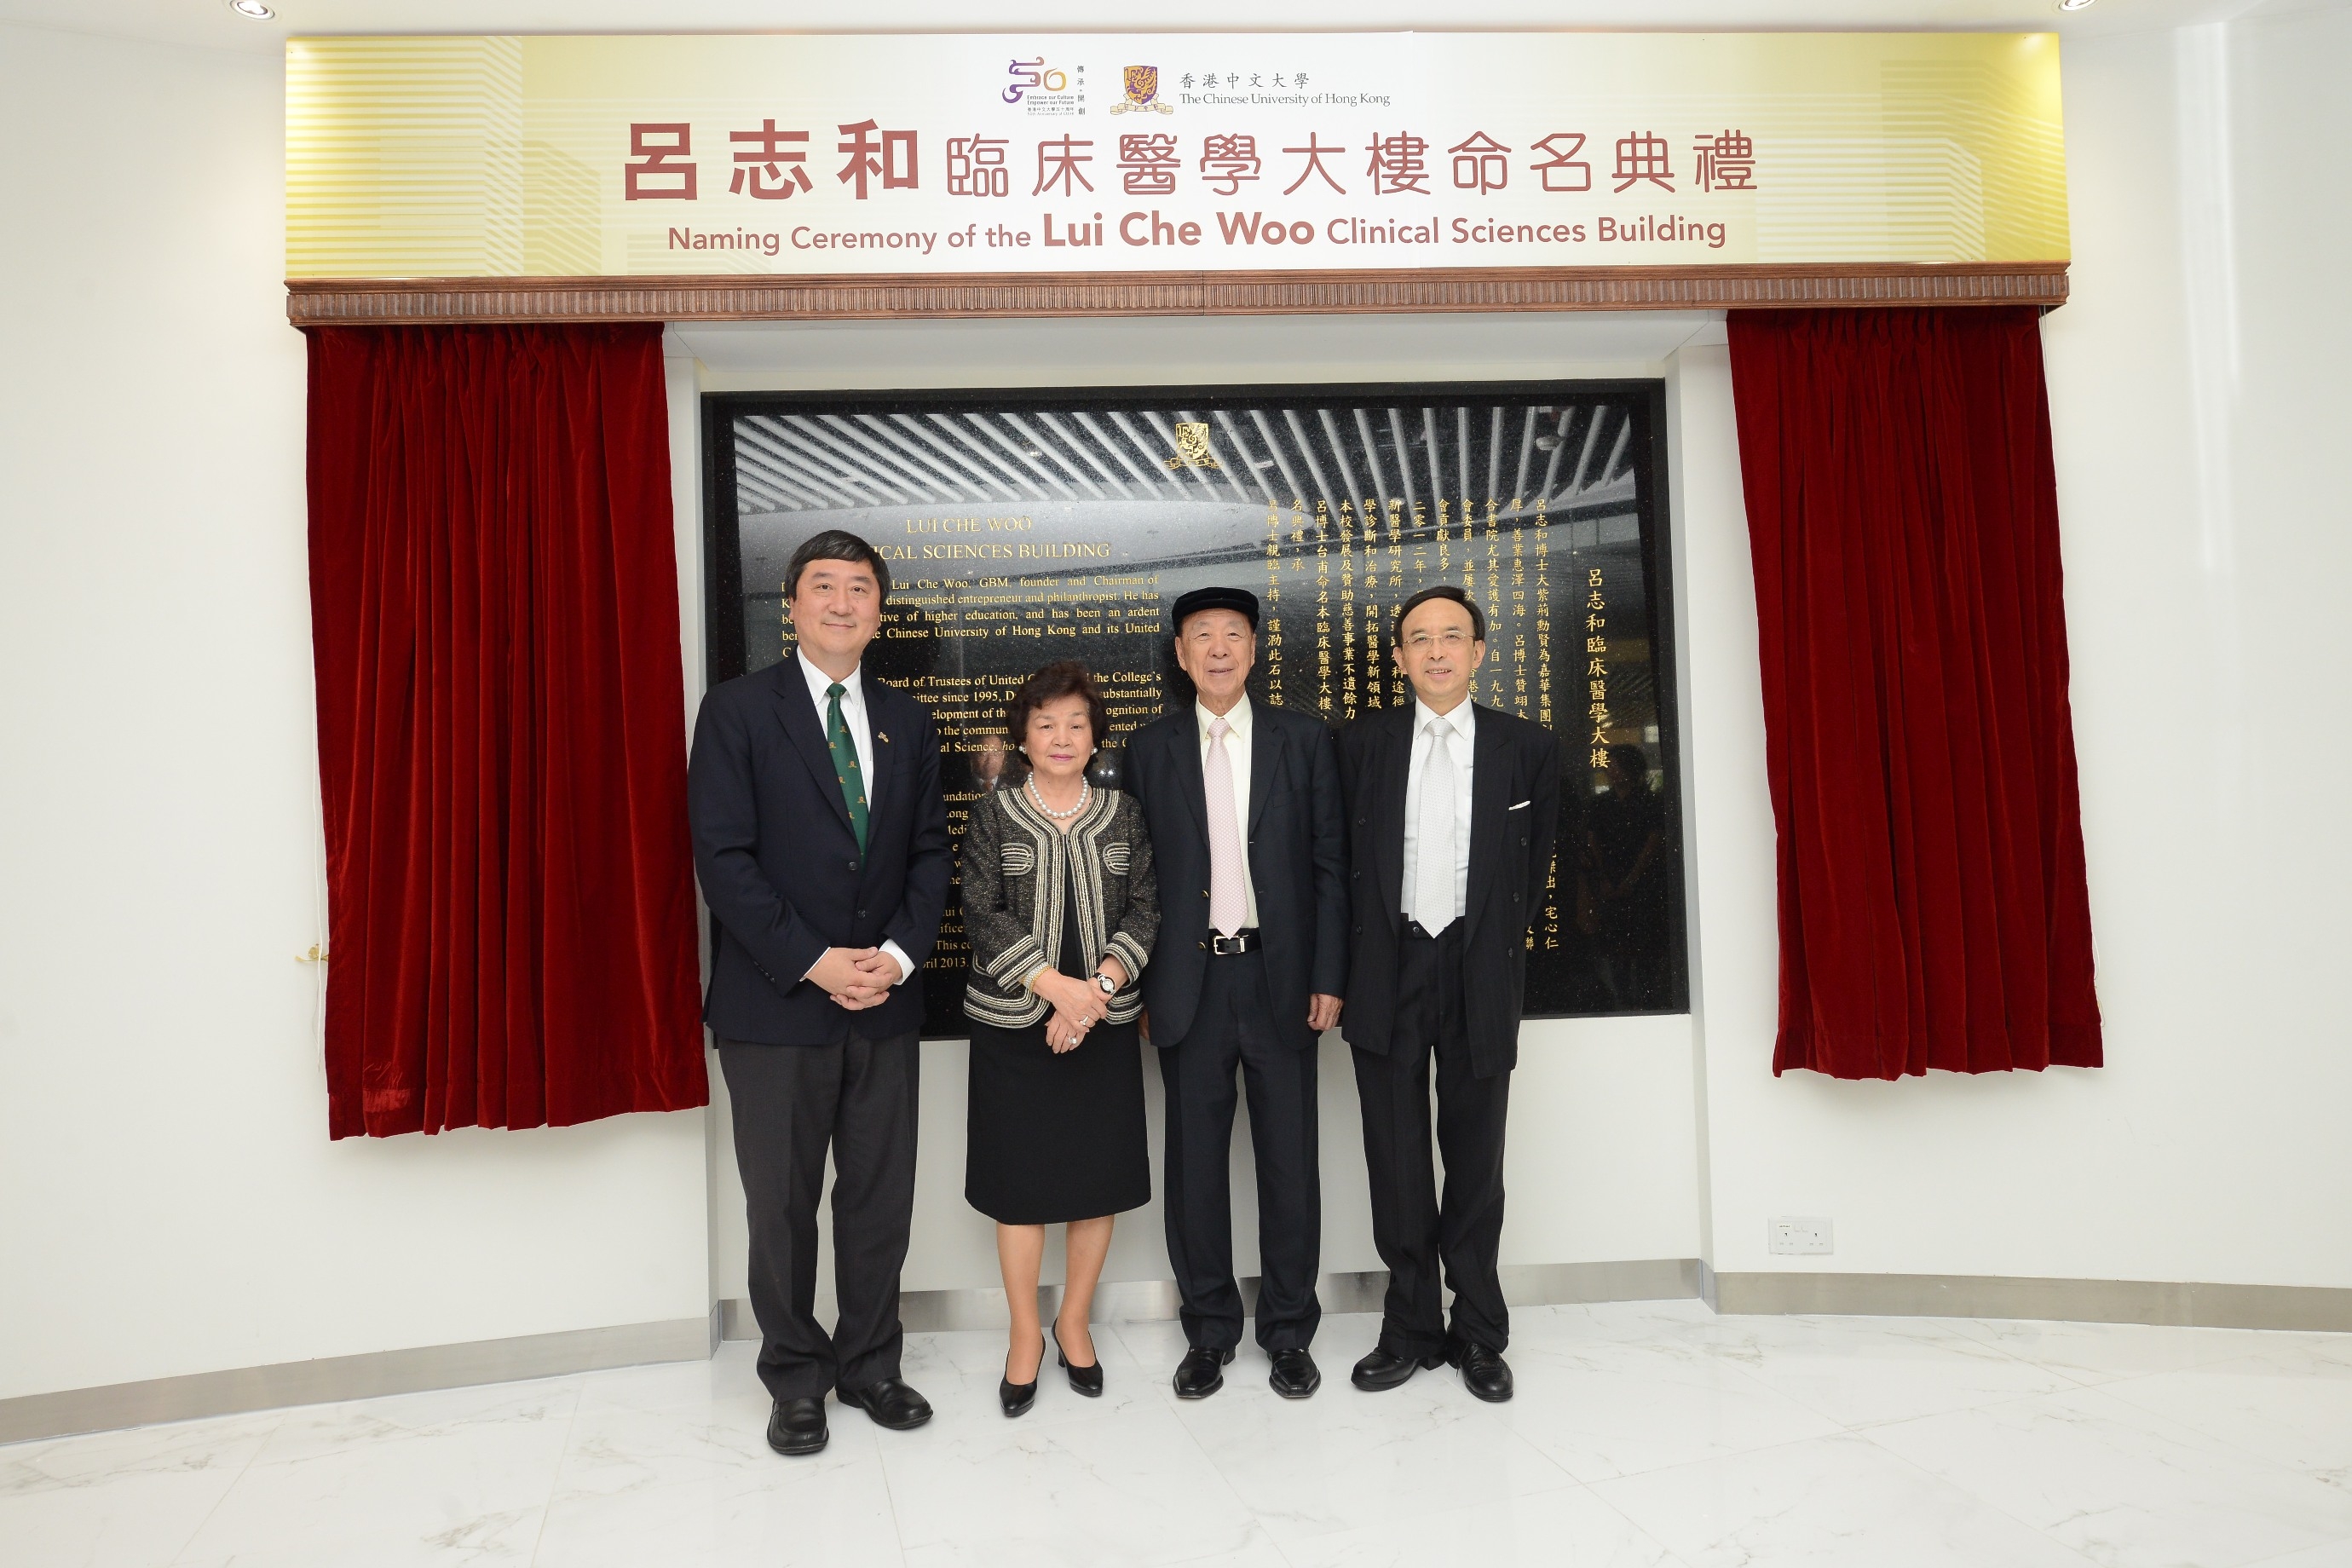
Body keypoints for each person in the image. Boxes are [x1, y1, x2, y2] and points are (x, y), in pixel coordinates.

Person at [687, 529, 949, 1457]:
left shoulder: (907, 721)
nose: (843, 604)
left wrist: (897, 956)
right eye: (824, 588)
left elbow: (928, 854)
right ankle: (795, 1378)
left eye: (861, 589)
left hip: (888, 1001)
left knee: (880, 1197)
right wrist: (815, 960)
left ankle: (873, 1363)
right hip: (776, 1007)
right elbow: (723, 857)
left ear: (881, 611)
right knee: (782, 1203)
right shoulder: (736, 711)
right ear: (790, 604)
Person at [1335, 585, 1561, 1404]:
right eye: (1419, 639)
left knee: (1476, 1162)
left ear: (1478, 651)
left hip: (1478, 964)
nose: (1436, 652)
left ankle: (1478, 1332)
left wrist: (1482, 943)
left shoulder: (1525, 747)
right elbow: (1344, 867)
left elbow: (1530, 871)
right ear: (1397, 658)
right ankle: (1409, 1328)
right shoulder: (1359, 743)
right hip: (1387, 966)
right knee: (1394, 1161)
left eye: (1452, 637)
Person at [1124, 585, 1348, 1401]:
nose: (1218, 650)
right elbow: (1135, 881)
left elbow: (1330, 865)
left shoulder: (1304, 739)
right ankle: (1210, 1331)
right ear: (1180, 656)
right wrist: (1142, 982)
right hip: (1187, 983)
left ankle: (1289, 1331)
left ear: (1254, 650)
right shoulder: (1149, 751)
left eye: (1232, 636)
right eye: (1201, 638)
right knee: (1195, 1169)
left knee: (1291, 1163)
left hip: (1280, 978)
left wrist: (1330, 975)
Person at [959, 660, 1158, 1417]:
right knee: (1021, 1192)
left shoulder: (1125, 814)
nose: (1062, 737)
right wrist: (1057, 991)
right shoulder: (995, 814)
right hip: (1015, 1030)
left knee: (1093, 1183)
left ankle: (1073, 1322)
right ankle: (1023, 1335)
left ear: (1095, 733)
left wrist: (1095, 994)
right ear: (1023, 735)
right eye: (1046, 724)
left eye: (1076, 723)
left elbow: (1147, 909)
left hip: (1101, 1028)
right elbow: (984, 913)